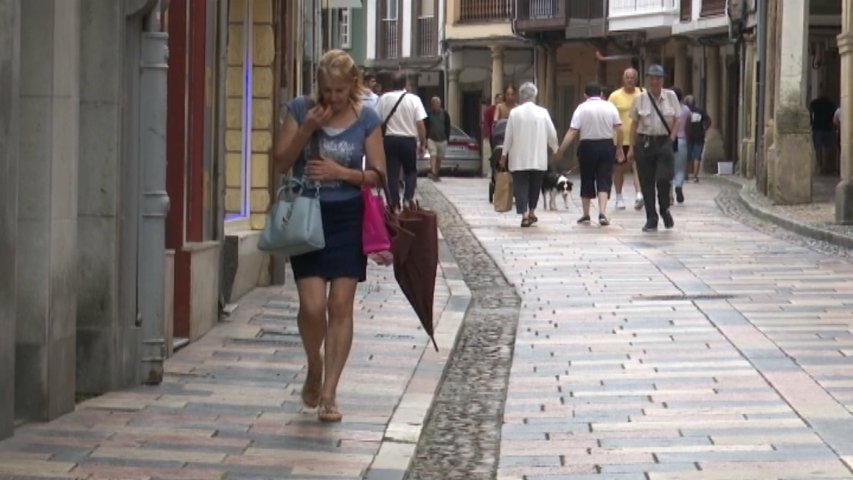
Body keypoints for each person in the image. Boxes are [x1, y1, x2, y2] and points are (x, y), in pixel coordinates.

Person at [272, 50, 386, 422]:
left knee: (340, 305)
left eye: (339, 91)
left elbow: (378, 175)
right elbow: (279, 162)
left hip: (347, 218)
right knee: (311, 308)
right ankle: (313, 363)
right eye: (326, 90)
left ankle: (330, 392)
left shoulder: (366, 117)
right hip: (307, 217)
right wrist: (306, 128)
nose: (332, 98)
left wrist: (343, 172)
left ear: (352, 86)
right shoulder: (300, 108)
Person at [553, 82, 622, 226]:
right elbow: (619, 129)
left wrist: (561, 150)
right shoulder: (610, 106)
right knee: (604, 178)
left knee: (587, 178)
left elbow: (573, 131)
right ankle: (602, 213)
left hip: (587, 146)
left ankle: (586, 214)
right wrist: (619, 148)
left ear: (585, 95)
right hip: (606, 145)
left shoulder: (581, 108)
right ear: (601, 94)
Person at [628, 64, 681, 232]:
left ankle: (664, 209)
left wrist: (671, 139)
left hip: (664, 142)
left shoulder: (671, 96)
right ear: (648, 80)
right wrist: (631, 147)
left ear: (663, 80)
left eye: (658, 78)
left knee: (664, 179)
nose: (655, 81)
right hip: (644, 143)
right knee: (647, 182)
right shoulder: (640, 99)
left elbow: (678, 119)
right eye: (652, 78)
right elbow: (633, 124)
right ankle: (651, 218)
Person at [499, 82, 559, 227]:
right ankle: (532, 211)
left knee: (520, 186)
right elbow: (552, 133)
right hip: (538, 158)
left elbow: (508, 136)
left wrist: (504, 155)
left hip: (518, 159)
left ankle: (524, 215)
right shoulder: (543, 112)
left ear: (521, 95)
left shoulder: (515, 113)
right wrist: (555, 148)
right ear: (534, 95)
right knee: (535, 186)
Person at [375, 72, 428, 210]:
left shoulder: (384, 98)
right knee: (410, 171)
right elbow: (420, 124)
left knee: (392, 173)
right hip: (408, 140)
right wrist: (422, 143)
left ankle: (394, 202)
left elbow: (376, 122)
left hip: (390, 139)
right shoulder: (414, 99)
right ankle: (407, 199)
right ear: (406, 84)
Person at [609, 68, 645, 211]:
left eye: (632, 77)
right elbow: (609, 116)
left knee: (638, 167)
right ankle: (619, 197)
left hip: (638, 137)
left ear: (636, 79)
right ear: (623, 79)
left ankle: (639, 195)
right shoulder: (615, 96)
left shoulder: (643, 94)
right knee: (619, 169)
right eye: (627, 77)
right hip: (620, 139)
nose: (629, 80)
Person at [684, 94, 711, 183]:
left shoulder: (685, 111)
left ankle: (686, 175)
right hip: (699, 136)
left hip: (687, 136)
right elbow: (708, 120)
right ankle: (695, 176)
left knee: (687, 156)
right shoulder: (700, 111)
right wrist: (704, 128)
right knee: (697, 156)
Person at [672, 87, 691, 203]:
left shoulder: (668, 109)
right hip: (682, 140)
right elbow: (689, 123)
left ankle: (669, 195)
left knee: (668, 168)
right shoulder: (686, 109)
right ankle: (678, 185)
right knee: (680, 168)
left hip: (670, 140)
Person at [809, 93, 837, 174]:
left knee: (818, 148)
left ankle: (820, 166)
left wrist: (811, 122)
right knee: (826, 148)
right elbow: (834, 116)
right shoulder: (831, 104)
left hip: (817, 128)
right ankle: (824, 167)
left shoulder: (814, 103)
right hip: (828, 128)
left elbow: (810, 113)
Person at [425, 96, 450, 181]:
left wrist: (447, 138)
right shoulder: (428, 114)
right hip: (431, 139)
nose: (435, 105)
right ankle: (433, 172)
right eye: (434, 104)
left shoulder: (445, 114)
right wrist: (425, 138)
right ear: (432, 105)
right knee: (433, 155)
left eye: (437, 104)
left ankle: (436, 172)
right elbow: (426, 126)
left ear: (440, 104)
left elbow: (447, 126)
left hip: (442, 139)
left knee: (439, 158)